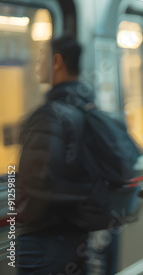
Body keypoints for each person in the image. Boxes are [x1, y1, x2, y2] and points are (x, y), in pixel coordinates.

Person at [16, 35, 92, 274]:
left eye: (40, 56)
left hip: (44, 238)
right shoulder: (85, 107)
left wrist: (20, 216)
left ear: (57, 62)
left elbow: (36, 182)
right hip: (75, 234)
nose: (37, 63)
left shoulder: (48, 116)